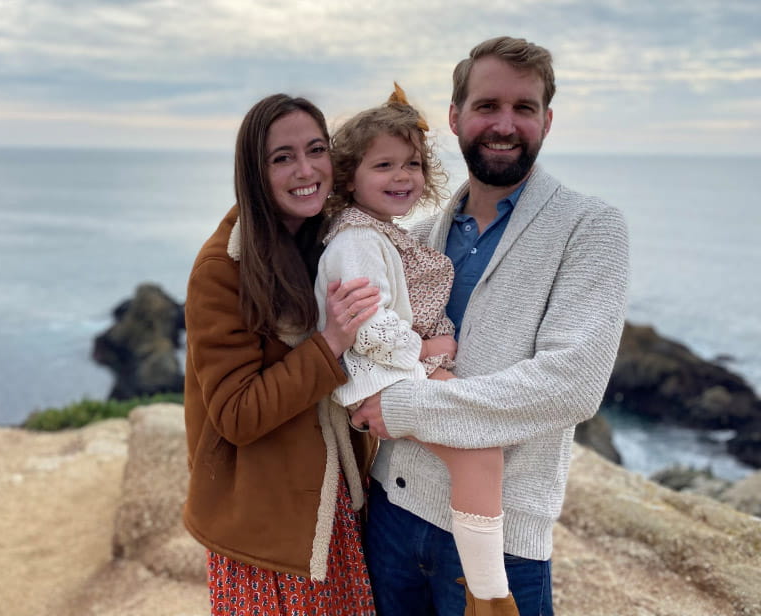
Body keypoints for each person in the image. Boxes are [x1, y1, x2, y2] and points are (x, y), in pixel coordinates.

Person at [351, 36, 630, 616]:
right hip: (392, 517)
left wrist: (403, 408)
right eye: (487, 106)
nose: (504, 124)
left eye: (523, 107)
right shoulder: (414, 236)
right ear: (455, 117)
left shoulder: (590, 227)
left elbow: (572, 385)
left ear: (546, 121)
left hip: (503, 537)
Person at [315, 84, 519, 616]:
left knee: (479, 452)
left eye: (412, 164)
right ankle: (490, 596)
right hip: (382, 380)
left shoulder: (379, 232)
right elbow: (366, 328)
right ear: (349, 177)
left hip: (393, 376)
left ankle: (485, 592)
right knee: (480, 448)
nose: (402, 176)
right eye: (383, 165)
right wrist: (430, 346)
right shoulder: (356, 240)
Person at [181, 93, 381, 616]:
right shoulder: (222, 269)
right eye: (282, 158)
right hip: (265, 529)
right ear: (255, 172)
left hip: (333, 504)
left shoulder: (335, 240)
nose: (306, 170)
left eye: (316, 150)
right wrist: (330, 343)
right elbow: (236, 414)